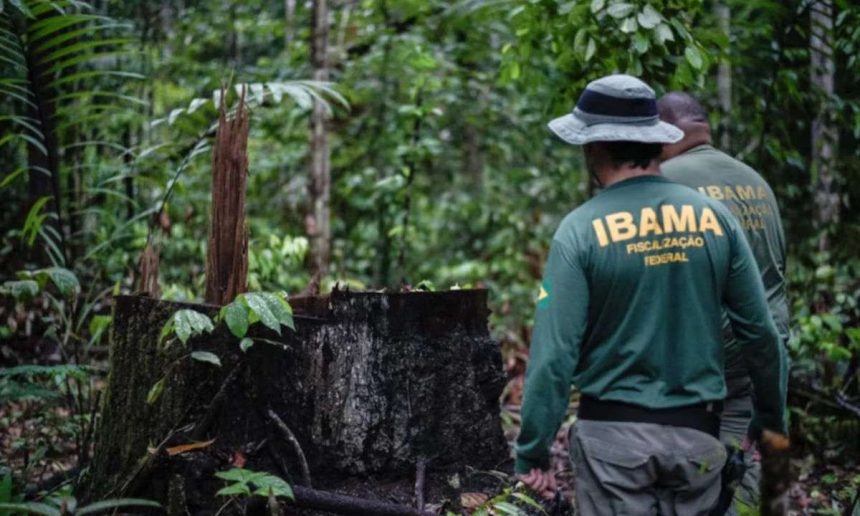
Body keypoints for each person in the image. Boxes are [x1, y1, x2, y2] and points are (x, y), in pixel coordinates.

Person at [514, 74, 787, 515]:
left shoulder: (579, 231)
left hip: (611, 447)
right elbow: (761, 331)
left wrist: (533, 450)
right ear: (656, 142)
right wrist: (770, 417)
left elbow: (554, 356)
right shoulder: (715, 219)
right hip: (699, 439)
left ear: (594, 147)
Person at [658, 92, 790, 513]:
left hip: (699, 357)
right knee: (740, 461)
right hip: (762, 351)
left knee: (682, 478)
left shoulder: (664, 182)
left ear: (664, 133)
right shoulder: (756, 182)